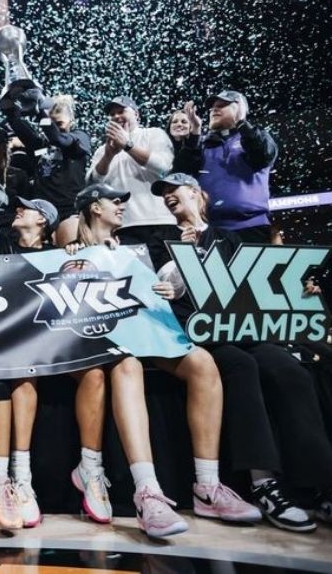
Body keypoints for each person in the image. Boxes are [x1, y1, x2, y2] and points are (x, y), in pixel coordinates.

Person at [148, 172, 332, 532]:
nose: (169, 196)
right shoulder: (160, 240)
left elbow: (259, 283)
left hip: (241, 330)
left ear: (199, 195)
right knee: (240, 366)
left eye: (176, 190)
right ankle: (264, 484)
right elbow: (158, 284)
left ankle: (318, 486)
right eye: (164, 193)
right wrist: (176, 270)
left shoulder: (231, 239)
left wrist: (300, 290)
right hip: (197, 337)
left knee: (289, 369)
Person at [72, 182, 261, 531]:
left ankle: (207, 486)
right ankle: (148, 492)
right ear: (94, 208)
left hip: (148, 327)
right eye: (114, 200)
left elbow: (162, 284)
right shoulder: (71, 242)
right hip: (103, 337)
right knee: (127, 363)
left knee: (203, 362)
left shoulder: (136, 246)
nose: (121, 205)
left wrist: (167, 287)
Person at [0, 113, 57, 530]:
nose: (17, 210)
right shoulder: (2, 240)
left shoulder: (58, 257)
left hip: (36, 345)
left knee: (25, 375)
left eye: (25, 209)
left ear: (42, 221)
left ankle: (21, 479)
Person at [172, 91, 278, 243]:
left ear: (240, 108)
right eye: (212, 108)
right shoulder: (201, 145)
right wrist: (194, 133)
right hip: (212, 230)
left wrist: (241, 122)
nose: (214, 110)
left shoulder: (257, 136)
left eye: (222, 106)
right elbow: (179, 177)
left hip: (252, 228)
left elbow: (263, 157)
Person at [3, 94, 91, 246]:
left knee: (70, 257)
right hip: (42, 213)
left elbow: (59, 139)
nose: (54, 128)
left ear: (71, 120)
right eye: (52, 124)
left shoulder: (80, 137)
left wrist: (40, 114)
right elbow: (17, 124)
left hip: (69, 211)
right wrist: (11, 108)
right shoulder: (40, 145)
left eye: (59, 123)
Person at [86, 96, 175, 245]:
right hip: (123, 225)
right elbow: (92, 185)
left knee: (168, 269)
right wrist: (108, 156)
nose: (116, 116)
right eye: (112, 114)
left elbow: (164, 166)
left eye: (121, 111)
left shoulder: (153, 134)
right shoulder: (102, 150)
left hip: (160, 220)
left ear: (136, 114)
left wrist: (128, 146)